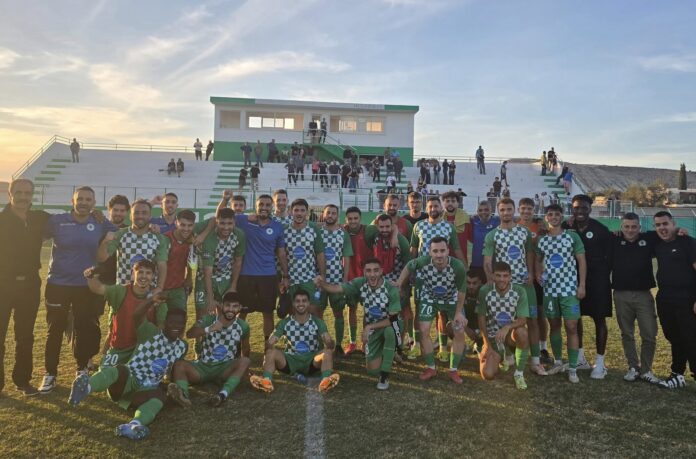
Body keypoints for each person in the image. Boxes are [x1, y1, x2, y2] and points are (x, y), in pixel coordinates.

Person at [67, 293, 187, 441]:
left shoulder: (182, 347)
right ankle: (85, 388)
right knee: (120, 369)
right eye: (172, 322)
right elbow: (137, 315)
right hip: (126, 382)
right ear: (165, 322)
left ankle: (134, 425)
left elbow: (173, 371)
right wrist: (151, 300)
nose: (176, 326)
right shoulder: (151, 332)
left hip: (143, 391)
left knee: (160, 397)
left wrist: (175, 390)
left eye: (180, 323)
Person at [39, 187, 116, 394]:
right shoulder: (57, 221)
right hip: (58, 284)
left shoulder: (100, 222)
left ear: (94, 203)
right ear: (72, 201)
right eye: (79, 198)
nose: (83, 202)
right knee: (54, 330)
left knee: (83, 328)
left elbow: (124, 230)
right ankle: (50, 374)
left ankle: (81, 369)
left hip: (85, 286)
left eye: (88, 199)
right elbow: (34, 235)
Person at [219, 191, 288, 355]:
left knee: (268, 313)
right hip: (245, 276)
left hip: (268, 276)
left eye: (267, 205)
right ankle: (239, 347)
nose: (264, 207)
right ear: (255, 206)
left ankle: (268, 349)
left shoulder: (277, 226)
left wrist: (285, 275)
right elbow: (221, 215)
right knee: (241, 313)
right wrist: (225, 199)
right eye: (261, 204)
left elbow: (281, 253)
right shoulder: (243, 220)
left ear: (272, 207)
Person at [316, 258, 401, 390]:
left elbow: (393, 319)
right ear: (364, 272)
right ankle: (386, 352)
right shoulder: (360, 283)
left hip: (392, 326)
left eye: (376, 270)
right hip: (373, 330)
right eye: (368, 271)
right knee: (372, 370)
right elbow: (337, 288)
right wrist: (321, 283)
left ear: (381, 271)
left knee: (389, 332)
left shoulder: (390, 289)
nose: (372, 274)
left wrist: (369, 327)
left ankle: (384, 375)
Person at [482, 198, 546, 376]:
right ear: (498, 211)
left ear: (514, 210)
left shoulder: (524, 232)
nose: (506, 213)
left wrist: (531, 273)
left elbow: (529, 254)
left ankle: (535, 361)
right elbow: (487, 261)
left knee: (532, 321)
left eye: (509, 209)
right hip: (504, 286)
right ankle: (508, 354)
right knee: (504, 321)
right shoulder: (492, 235)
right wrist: (492, 280)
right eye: (502, 210)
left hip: (524, 284)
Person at [0, 179, 51, 396]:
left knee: (25, 336)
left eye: (27, 193)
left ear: (32, 195)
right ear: (10, 194)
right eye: (19, 192)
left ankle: (22, 381)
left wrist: (96, 214)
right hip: (3, 283)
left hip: (30, 284)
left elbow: (69, 220)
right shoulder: (1, 220)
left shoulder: (40, 218)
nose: (23, 197)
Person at [395, 237, 468, 384]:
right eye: (435, 251)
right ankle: (431, 367)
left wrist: (458, 312)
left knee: (459, 331)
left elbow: (461, 291)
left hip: (451, 299)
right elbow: (409, 265)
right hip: (430, 298)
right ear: (429, 252)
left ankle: (453, 370)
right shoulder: (423, 261)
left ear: (448, 251)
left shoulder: (457, 266)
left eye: (442, 251)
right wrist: (399, 283)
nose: (439, 255)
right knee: (423, 330)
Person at [168, 292, 251, 408]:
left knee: (245, 361)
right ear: (222, 305)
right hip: (203, 366)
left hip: (224, 368)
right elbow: (190, 334)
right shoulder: (208, 319)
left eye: (235, 306)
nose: (231, 309)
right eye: (227, 305)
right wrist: (209, 329)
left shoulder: (243, 326)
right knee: (179, 365)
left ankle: (222, 394)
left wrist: (245, 370)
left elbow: (246, 348)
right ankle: (183, 396)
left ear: (240, 308)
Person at [535, 203, 586, 383]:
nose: (554, 217)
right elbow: (538, 260)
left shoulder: (571, 236)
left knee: (571, 326)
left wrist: (582, 285)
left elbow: (582, 261)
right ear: (546, 217)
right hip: (550, 290)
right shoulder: (542, 240)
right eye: (550, 214)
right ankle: (557, 362)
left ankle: (572, 368)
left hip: (569, 290)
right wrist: (538, 273)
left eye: (557, 214)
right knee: (554, 325)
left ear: (562, 216)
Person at [250, 290, 340, 393]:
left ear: (308, 303)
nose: (301, 304)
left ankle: (326, 381)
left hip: (311, 361)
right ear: (293, 303)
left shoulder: (317, 322)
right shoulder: (285, 323)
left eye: (304, 301)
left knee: (327, 352)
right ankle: (266, 381)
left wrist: (329, 343)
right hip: (290, 361)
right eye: (298, 301)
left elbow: (329, 342)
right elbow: (271, 341)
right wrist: (270, 344)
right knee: (271, 352)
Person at [564, 194, 612, 378]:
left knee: (599, 319)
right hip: (573, 281)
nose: (580, 211)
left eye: (584, 208)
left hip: (598, 281)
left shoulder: (600, 229)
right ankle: (580, 358)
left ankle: (600, 363)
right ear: (572, 209)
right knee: (575, 318)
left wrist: (602, 274)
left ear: (590, 209)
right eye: (576, 208)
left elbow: (611, 254)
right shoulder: (567, 227)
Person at [610, 213, 662, 384]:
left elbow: (667, 231)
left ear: (639, 227)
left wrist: (679, 230)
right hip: (621, 294)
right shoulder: (614, 240)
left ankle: (646, 370)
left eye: (634, 227)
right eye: (626, 226)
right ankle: (633, 367)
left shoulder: (649, 238)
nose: (630, 230)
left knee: (649, 333)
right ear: (621, 227)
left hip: (643, 295)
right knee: (627, 333)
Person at [85, 260, 165, 368]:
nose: (144, 276)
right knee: (107, 374)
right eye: (140, 272)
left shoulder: (157, 297)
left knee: (136, 376)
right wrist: (90, 276)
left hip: (143, 350)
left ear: (153, 276)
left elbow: (161, 327)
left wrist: (154, 351)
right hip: (119, 349)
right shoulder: (121, 291)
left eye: (148, 273)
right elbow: (98, 288)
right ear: (133, 274)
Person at [652, 211, 696, 389]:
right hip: (665, 298)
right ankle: (677, 374)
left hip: (687, 298)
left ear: (673, 224)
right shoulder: (657, 244)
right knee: (674, 337)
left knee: (691, 337)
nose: (662, 228)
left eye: (665, 224)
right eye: (658, 225)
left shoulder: (687, 242)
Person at [476, 262, 530, 389]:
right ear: (493, 276)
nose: (502, 279)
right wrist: (487, 344)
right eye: (498, 275)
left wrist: (507, 327)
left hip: (509, 336)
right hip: (493, 337)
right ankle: (487, 352)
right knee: (488, 375)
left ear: (510, 276)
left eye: (505, 276)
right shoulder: (485, 290)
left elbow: (523, 320)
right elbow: (481, 318)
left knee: (522, 332)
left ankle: (519, 374)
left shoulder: (519, 291)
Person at [97, 199, 169, 290]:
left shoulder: (159, 238)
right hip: (123, 291)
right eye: (136, 213)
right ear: (130, 216)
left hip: (148, 291)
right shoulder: (120, 234)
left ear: (150, 216)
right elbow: (101, 258)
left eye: (144, 213)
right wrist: (105, 242)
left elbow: (162, 265)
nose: (140, 216)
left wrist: (159, 287)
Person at [516, 197, 552, 364]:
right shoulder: (515, 227)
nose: (526, 212)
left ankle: (543, 347)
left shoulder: (540, 227)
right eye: (523, 208)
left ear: (534, 210)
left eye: (529, 209)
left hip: (537, 275)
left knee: (539, 314)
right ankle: (518, 346)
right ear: (519, 210)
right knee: (519, 314)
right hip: (518, 275)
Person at [194, 208, 246, 320]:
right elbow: (207, 271)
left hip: (225, 278)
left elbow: (238, 261)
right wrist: (210, 298)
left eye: (229, 223)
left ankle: (221, 332)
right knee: (202, 315)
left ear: (234, 222)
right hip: (204, 278)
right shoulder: (210, 239)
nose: (226, 227)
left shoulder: (239, 235)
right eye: (222, 223)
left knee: (225, 313)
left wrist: (233, 286)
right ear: (217, 222)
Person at [315, 205, 353, 355]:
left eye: (333, 213)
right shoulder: (317, 231)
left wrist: (345, 279)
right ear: (323, 215)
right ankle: (319, 343)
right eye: (328, 213)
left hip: (337, 280)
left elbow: (346, 257)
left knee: (338, 313)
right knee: (318, 312)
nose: (330, 215)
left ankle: (338, 345)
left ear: (338, 215)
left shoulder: (343, 233)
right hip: (319, 280)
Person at [284, 199, 326, 315]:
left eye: (302, 210)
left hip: (309, 278)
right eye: (296, 210)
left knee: (314, 311)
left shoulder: (313, 228)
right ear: (291, 211)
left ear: (307, 212)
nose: (299, 213)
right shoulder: (285, 230)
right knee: (293, 312)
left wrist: (322, 275)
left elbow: (320, 253)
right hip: (292, 279)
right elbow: (281, 255)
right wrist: (284, 276)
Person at [442, 191, 472, 265]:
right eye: (447, 201)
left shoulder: (466, 218)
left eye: (453, 201)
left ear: (458, 203)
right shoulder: (437, 219)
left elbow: (471, 240)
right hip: (442, 260)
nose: (450, 203)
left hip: (461, 261)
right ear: (443, 203)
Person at [468, 201, 500, 269]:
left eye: (486, 210)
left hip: (492, 264)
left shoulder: (497, 220)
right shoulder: (473, 221)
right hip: (476, 263)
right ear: (477, 212)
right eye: (480, 210)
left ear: (491, 210)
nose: (483, 212)